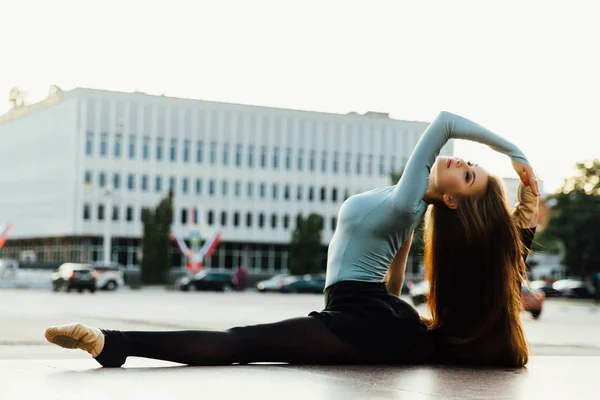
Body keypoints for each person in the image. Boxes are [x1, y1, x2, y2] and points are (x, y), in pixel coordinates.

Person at [45, 111, 540, 368]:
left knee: (242, 343)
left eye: (469, 175)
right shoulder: (407, 207)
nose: (460, 161)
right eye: (469, 163)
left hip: (363, 315)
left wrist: (513, 151)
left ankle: (113, 343)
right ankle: (113, 344)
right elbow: (396, 271)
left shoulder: (408, 200)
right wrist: (389, 319)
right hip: (372, 315)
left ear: (453, 201)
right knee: (242, 343)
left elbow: (446, 122)